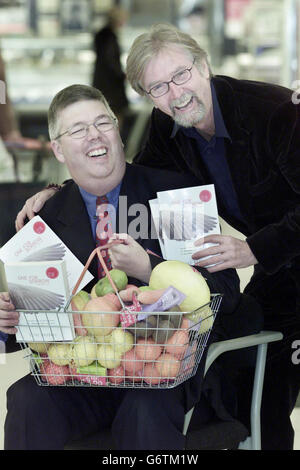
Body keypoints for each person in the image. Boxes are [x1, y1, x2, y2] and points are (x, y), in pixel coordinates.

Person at [1, 84, 259, 451]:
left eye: (102, 123)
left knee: (142, 408)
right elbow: (34, 323)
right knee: (28, 399)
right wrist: (7, 323)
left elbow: (225, 293)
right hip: (86, 377)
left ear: (118, 131)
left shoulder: (173, 195)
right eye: (77, 129)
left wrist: (149, 267)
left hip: (169, 377)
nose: (94, 135)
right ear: (58, 148)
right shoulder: (45, 219)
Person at [123, 23, 299, 450]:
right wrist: (59, 193)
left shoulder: (274, 110)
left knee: (271, 383)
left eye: (181, 75)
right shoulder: (167, 127)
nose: (175, 93)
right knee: (253, 386)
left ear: (203, 65)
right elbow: (136, 186)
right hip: (282, 273)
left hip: (277, 252)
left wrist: (253, 248)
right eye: (158, 87)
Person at [92, 6, 129, 132]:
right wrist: (123, 75)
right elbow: (111, 61)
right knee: (115, 119)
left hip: (101, 84)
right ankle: (115, 147)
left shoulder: (100, 34)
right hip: (112, 87)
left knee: (103, 118)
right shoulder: (110, 36)